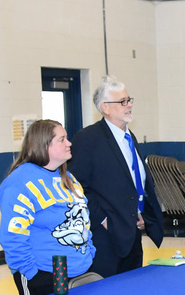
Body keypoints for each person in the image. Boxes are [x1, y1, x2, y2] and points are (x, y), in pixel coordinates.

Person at [68, 76, 165, 277]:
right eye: (122, 102)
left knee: (132, 288)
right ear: (105, 107)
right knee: (106, 290)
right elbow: (75, 186)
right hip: (105, 237)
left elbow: (134, 182)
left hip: (131, 232)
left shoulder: (129, 137)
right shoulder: (88, 139)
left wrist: (141, 213)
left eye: (129, 100)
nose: (129, 105)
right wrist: (102, 219)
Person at [0, 119, 96, 295]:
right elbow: (13, 236)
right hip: (44, 274)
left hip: (80, 268)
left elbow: (84, 219)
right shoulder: (20, 181)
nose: (69, 143)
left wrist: (90, 252)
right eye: (62, 139)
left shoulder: (68, 178)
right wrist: (32, 274)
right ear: (43, 145)